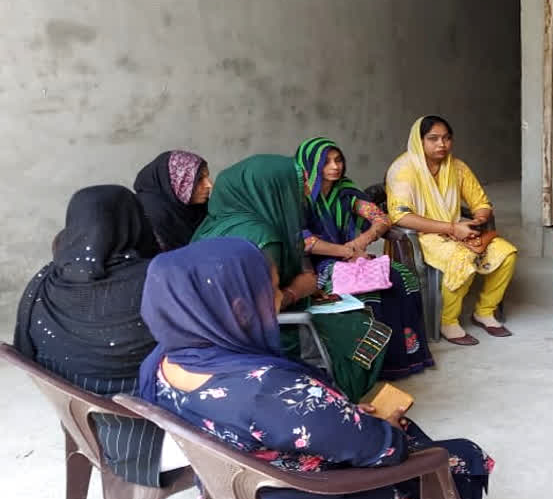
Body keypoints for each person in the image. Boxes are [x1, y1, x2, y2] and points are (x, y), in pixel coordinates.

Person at [135, 238, 492, 499]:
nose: (279, 298)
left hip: (235, 498)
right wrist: (382, 427)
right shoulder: (267, 389)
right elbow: (381, 450)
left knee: (400, 438)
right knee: (460, 458)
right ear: (239, 309)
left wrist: (339, 414)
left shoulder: (163, 363)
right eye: (273, 289)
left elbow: (283, 424)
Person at [14, 186, 184, 486]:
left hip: (84, 422)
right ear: (133, 224)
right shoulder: (153, 281)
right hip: (150, 435)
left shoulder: (45, 282)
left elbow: (26, 348)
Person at [191, 155, 393, 401]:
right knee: (360, 325)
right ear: (273, 190)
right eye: (296, 185)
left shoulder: (208, 227)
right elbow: (263, 308)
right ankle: (335, 396)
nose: (305, 192)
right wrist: (300, 289)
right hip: (268, 338)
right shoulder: (264, 236)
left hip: (207, 337)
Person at [294, 136, 434, 379]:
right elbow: (305, 241)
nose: (335, 166)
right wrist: (345, 253)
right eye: (325, 162)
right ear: (308, 166)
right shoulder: (298, 198)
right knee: (370, 293)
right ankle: (371, 367)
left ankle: (406, 357)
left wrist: (360, 241)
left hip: (352, 255)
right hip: (316, 266)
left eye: (338, 160)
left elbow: (381, 219)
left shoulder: (345, 192)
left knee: (402, 279)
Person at [386, 115, 517, 345]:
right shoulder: (403, 169)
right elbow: (401, 216)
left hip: (460, 230)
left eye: (446, 138)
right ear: (419, 141)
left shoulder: (457, 167)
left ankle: (484, 311)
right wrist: (451, 228)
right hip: (422, 236)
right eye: (433, 139)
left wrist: (478, 219)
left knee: (507, 253)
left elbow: (482, 202)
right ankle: (448, 321)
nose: (441, 144)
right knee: (462, 259)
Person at [133, 150, 213, 251]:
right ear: (176, 181)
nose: (209, 185)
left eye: (207, 177)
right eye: (199, 179)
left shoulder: (200, 208)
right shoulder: (147, 215)